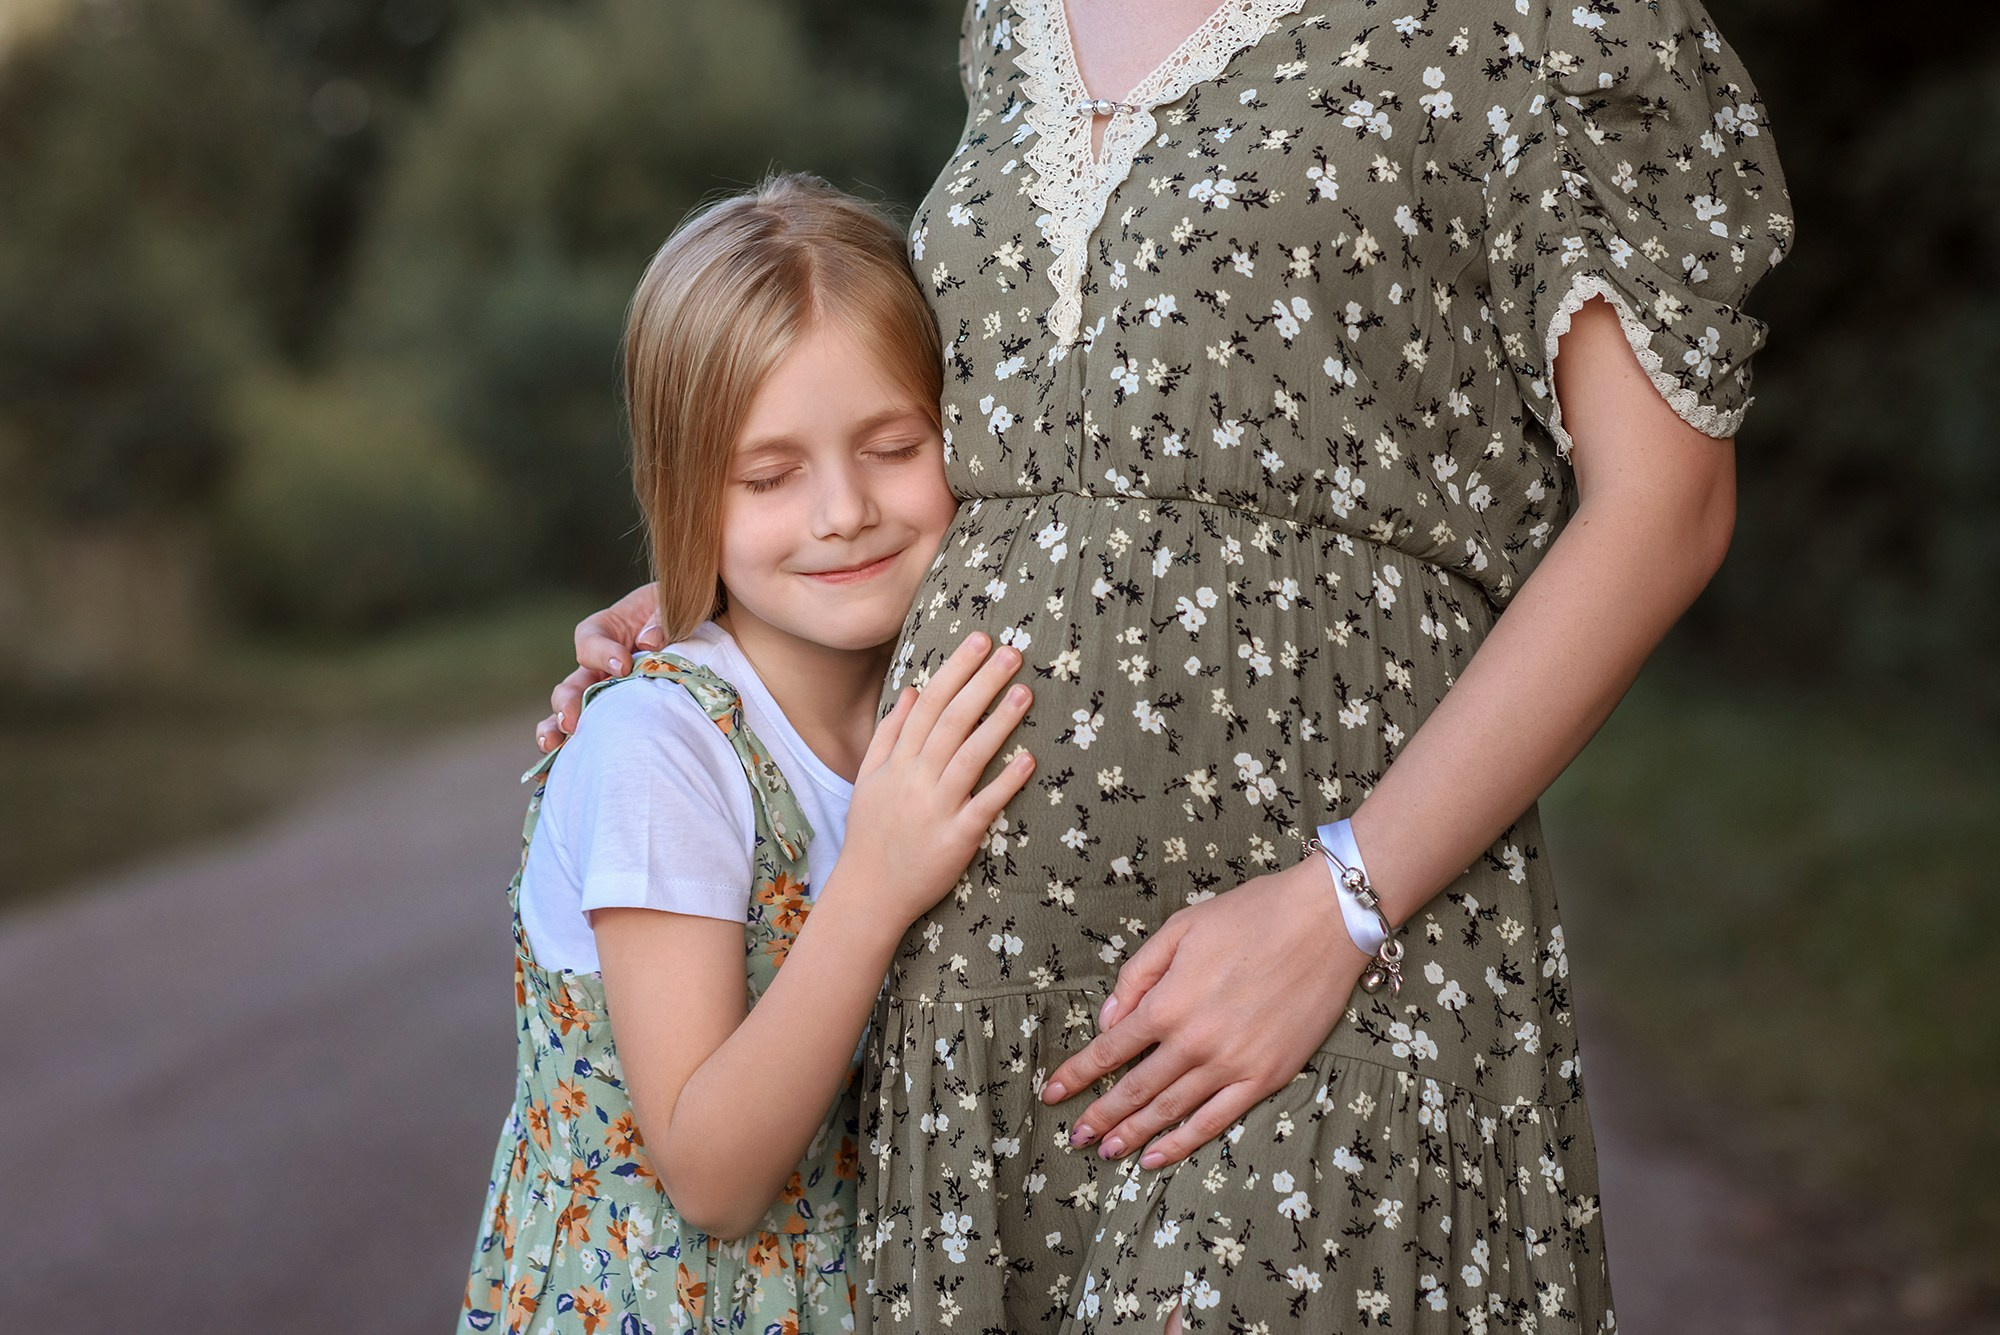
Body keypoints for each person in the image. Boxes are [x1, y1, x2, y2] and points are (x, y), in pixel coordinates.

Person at [542, 0, 1791, 1328]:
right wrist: (729, 588)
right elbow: (1045, 436)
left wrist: (1341, 900)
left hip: (1327, 964)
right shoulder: (1011, 24)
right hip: (982, 1040)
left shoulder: (1536, 22)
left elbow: (1665, 508)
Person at [459, 174, 1039, 1334]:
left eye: (891, 445)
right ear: (686, 492)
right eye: (769, 477)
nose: (840, 511)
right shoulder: (656, 748)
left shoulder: (923, 696)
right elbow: (710, 1173)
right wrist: (872, 884)